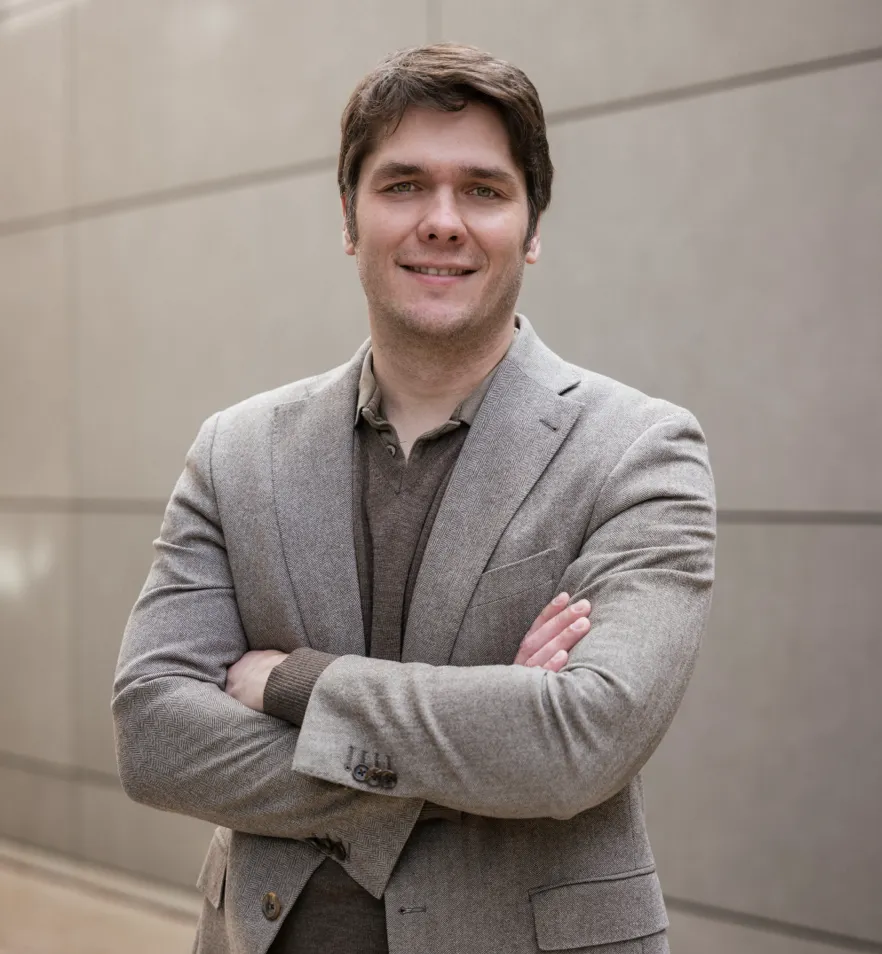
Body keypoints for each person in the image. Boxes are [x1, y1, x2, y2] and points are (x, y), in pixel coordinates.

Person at [113, 43, 715, 954]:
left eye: (482, 189)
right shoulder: (235, 451)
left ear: (533, 225)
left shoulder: (640, 451)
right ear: (349, 220)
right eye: (402, 186)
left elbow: (579, 743)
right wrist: (487, 737)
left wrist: (288, 682)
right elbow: (155, 735)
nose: (442, 221)